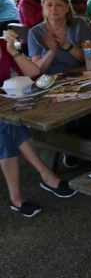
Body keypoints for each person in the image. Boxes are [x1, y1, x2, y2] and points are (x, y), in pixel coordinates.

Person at [1, 29, 76, 218]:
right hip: (7, 111)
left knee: (7, 128)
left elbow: (34, 72)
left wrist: (13, 52)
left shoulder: (3, 46)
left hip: (6, 109)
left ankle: (16, 198)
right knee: (9, 124)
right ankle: (45, 174)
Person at [28, 0, 91, 74]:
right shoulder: (35, 32)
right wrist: (52, 51)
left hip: (80, 74)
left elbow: (90, 58)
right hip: (50, 80)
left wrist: (65, 45)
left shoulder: (80, 24)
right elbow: (37, 70)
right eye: (49, 5)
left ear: (67, 8)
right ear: (43, 7)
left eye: (58, 5)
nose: (53, 9)